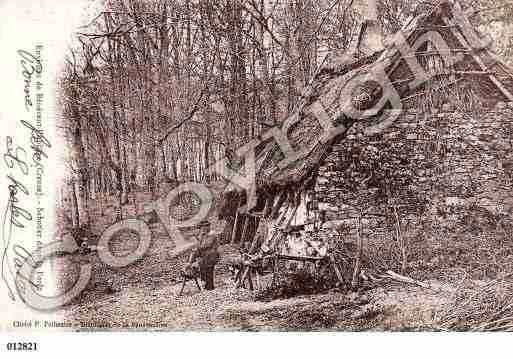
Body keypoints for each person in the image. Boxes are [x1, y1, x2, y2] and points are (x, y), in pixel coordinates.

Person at [187, 220, 220, 290]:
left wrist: (199, 239)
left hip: (211, 255)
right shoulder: (203, 234)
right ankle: (204, 282)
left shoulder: (212, 234)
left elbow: (205, 245)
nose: (203, 229)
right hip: (204, 255)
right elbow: (198, 246)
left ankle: (210, 286)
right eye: (202, 227)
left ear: (208, 227)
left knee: (209, 270)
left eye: (204, 227)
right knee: (202, 268)